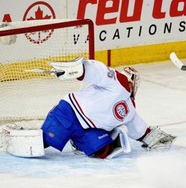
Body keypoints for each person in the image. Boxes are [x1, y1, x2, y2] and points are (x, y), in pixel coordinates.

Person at [41, 57, 176, 159]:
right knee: (44, 142)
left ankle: (76, 141)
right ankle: (26, 136)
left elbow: (138, 129)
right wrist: (81, 70)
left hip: (89, 130)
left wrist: (149, 136)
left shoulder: (130, 110)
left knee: (103, 151)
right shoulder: (118, 83)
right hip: (69, 113)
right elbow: (100, 72)